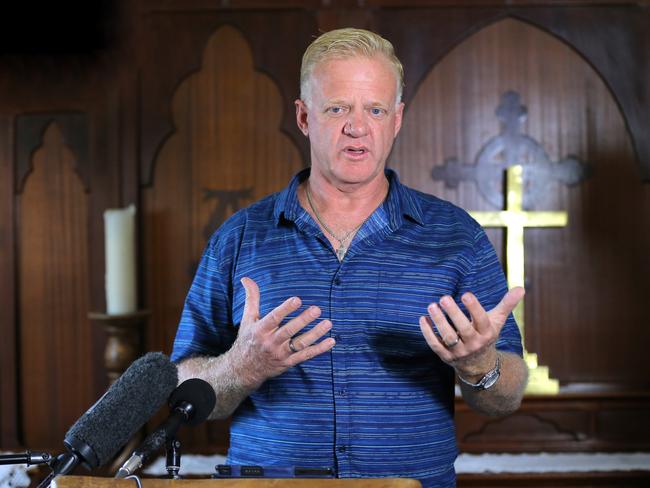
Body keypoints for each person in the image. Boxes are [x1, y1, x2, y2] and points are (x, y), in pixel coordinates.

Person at [171, 27, 528, 488]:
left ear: (396, 119)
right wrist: (244, 365)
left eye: (374, 110)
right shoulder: (238, 238)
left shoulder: (456, 236)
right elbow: (181, 389)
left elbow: (509, 393)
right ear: (303, 117)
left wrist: (480, 366)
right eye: (337, 108)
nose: (357, 126)